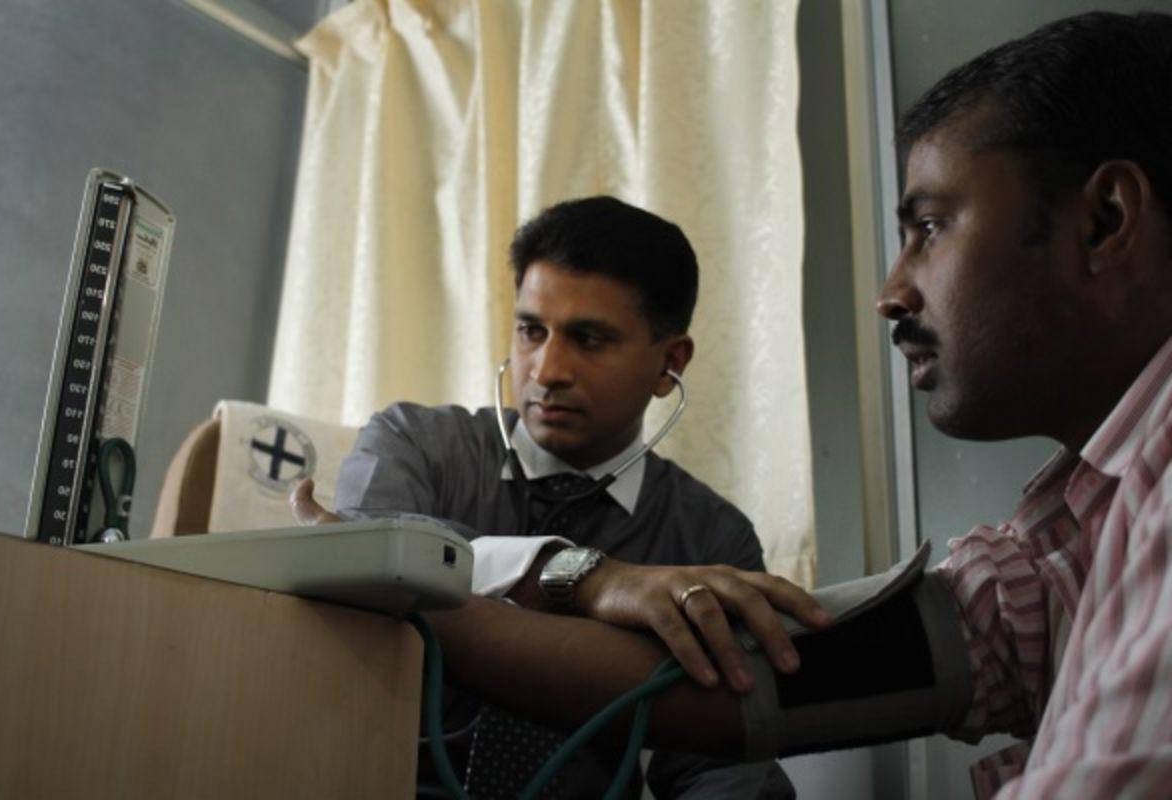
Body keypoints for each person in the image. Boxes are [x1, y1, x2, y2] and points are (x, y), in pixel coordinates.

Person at [314, 11, 1172, 799]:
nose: (890, 291)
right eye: (531, 330)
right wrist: (560, 577)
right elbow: (772, 683)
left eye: (931, 227)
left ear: (1102, 221)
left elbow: (731, 730)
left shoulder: (708, 538)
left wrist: (404, 588)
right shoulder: (1074, 533)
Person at [293, 196, 813, 798]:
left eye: (588, 339)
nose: (546, 370)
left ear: (670, 363)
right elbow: (379, 562)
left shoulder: (711, 541)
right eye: (531, 331)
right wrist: (590, 579)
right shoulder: (415, 445)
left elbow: (722, 763)